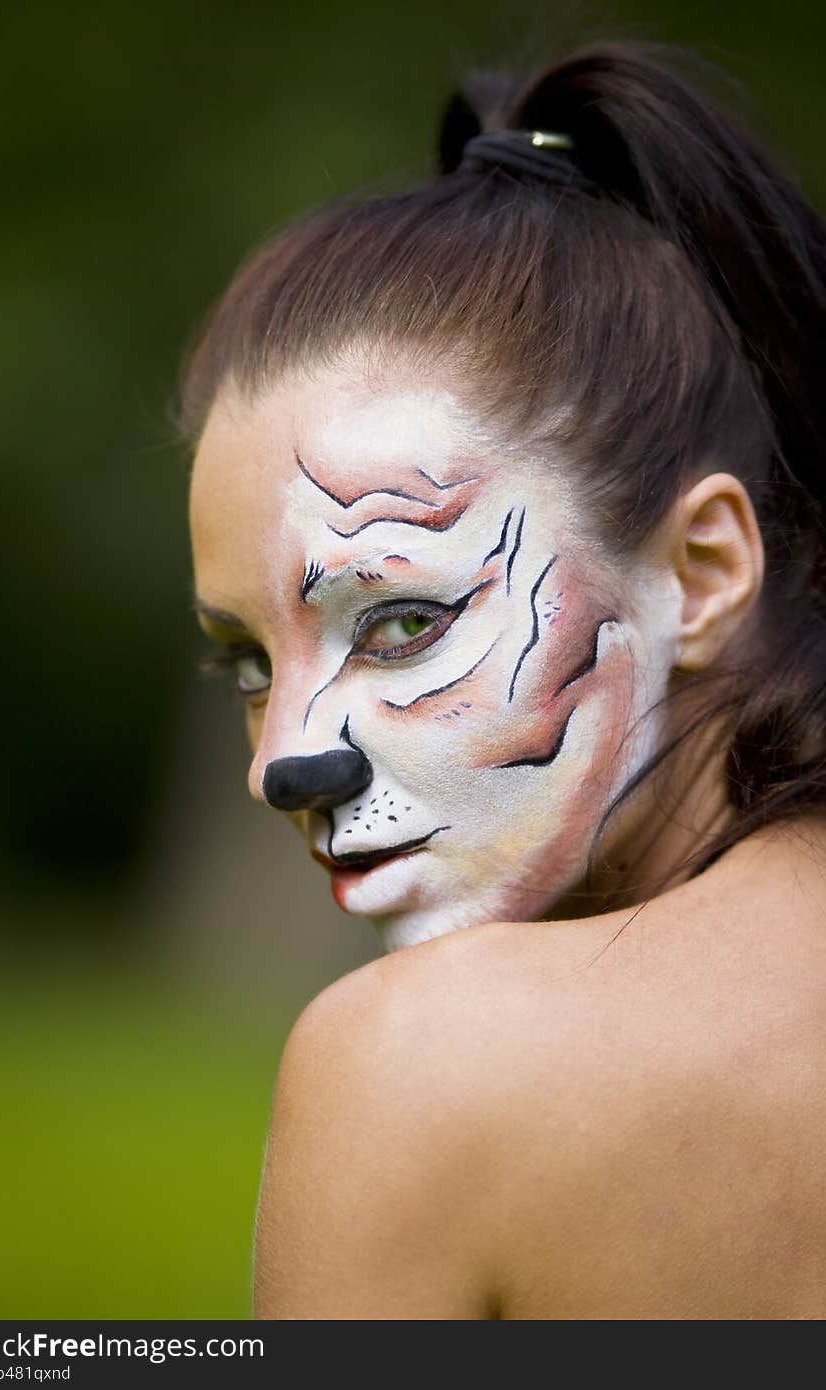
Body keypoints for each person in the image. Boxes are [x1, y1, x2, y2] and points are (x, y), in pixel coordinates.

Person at [182, 41, 826, 1318]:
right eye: (248, 662)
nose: (281, 764)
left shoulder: (423, 1062)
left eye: (404, 622)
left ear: (699, 573)